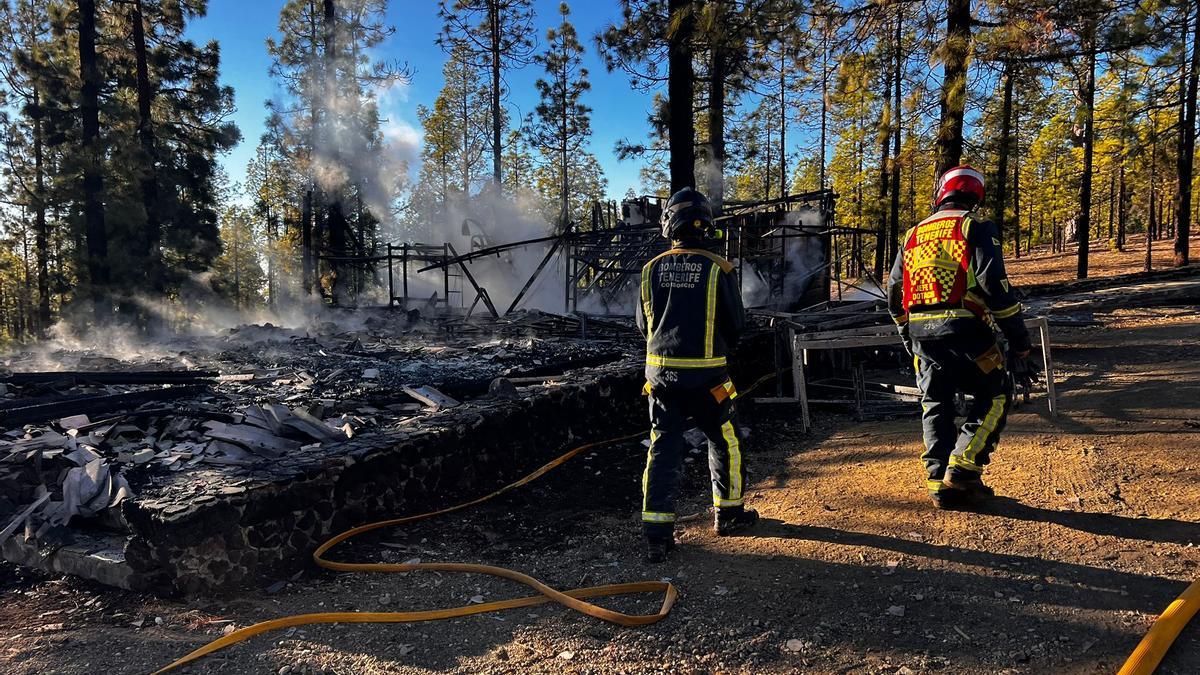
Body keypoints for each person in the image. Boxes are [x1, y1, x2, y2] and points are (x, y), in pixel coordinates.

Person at [887, 165, 1036, 509]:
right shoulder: (975, 227)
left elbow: (894, 291)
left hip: (922, 334)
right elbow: (994, 286)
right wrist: (1020, 342)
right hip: (966, 330)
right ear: (975, 196)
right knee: (996, 393)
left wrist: (907, 334)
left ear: (942, 193)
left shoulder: (912, 234)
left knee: (935, 402)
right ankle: (964, 470)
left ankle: (940, 483)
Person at [634, 187, 757, 563]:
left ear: (669, 224)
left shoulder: (650, 269)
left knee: (663, 448)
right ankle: (729, 515)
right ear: (705, 226)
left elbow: (643, 325)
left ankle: (657, 536)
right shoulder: (719, 268)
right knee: (727, 440)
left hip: (662, 380)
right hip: (709, 381)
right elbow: (736, 326)